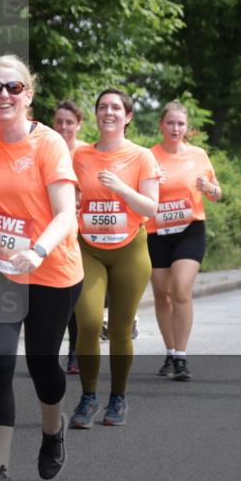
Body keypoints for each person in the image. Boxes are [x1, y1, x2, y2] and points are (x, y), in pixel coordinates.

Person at [0, 55, 83, 481]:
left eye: (13, 87)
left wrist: (37, 251)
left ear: (28, 94)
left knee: (42, 365)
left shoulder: (49, 144)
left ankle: (53, 429)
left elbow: (66, 214)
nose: (4, 95)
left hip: (51, 269)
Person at [70, 88, 159, 428]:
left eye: (116, 108)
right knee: (90, 322)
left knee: (121, 329)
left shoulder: (142, 156)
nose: (109, 112)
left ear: (128, 116)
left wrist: (121, 188)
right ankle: (88, 396)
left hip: (130, 250)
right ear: (96, 115)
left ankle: (118, 397)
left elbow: (150, 207)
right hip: (88, 248)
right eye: (103, 107)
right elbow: (65, 194)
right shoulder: (80, 155)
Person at [146, 101, 221, 381]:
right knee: (162, 294)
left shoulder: (198, 155)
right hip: (157, 232)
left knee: (180, 289)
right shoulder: (148, 156)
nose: (175, 128)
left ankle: (181, 355)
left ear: (187, 128)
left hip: (190, 230)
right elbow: (138, 193)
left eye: (180, 124)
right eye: (170, 123)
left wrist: (209, 187)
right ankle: (169, 351)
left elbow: (216, 193)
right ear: (161, 125)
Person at [53, 99, 89, 374]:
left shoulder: (86, 153)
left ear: (79, 124)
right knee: (53, 295)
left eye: (69, 122)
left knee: (76, 294)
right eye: (59, 122)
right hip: (53, 230)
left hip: (83, 230)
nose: (63, 127)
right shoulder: (47, 148)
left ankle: (75, 351)